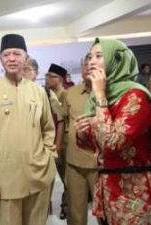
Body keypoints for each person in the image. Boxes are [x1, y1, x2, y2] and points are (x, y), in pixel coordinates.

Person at [75, 38, 151, 225]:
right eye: (90, 56)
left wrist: (100, 96)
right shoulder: (101, 95)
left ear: (116, 60)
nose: (91, 61)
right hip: (107, 188)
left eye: (99, 56)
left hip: (134, 191)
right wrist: (83, 132)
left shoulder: (136, 96)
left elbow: (111, 143)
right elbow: (95, 146)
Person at [0, 33, 56, 225]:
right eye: (6, 54)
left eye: (16, 54)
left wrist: (49, 156)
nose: (11, 58)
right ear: (0, 59)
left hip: (38, 176)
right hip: (6, 180)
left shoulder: (38, 91)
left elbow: (48, 128)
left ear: (26, 58)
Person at [24, 57, 66, 215]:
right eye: (23, 69)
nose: (24, 72)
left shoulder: (47, 93)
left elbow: (60, 121)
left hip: (44, 150)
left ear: (36, 73)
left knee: (44, 192)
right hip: (25, 152)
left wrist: (56, 148)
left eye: (28, 69)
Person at [64, 55, 99, 225]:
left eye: (91, 65)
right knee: (75, 210)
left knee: (104, 210)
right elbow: (62, 121)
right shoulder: (70, 93)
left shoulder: (108, 92)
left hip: (99, 163)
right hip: (74, 161)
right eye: (84, 65)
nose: (87, 68)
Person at [45, 63, 68, 219]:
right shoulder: (48, 94)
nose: (47, 79)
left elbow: (62, 120)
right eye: (47, 76)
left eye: (50, 76)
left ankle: (66, 206)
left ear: (59, 79)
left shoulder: (64, 95)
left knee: (67, 178)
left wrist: (58, 145)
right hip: (50, 142)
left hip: (63, 141)